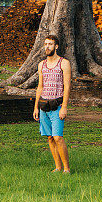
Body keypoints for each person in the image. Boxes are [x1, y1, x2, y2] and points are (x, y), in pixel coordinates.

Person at [33, 34, 72, 173]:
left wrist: (64, 107)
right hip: (44, 106)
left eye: (50, 44)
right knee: (50, 138)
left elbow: (67, 86)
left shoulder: (64, 63)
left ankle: (66, 169)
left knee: (58, 137)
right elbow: (40, 86)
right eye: (45, 44)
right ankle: (58, 167)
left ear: (56, 46)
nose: (47, 47)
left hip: (57, 106)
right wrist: (36, 107)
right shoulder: (41, 65)